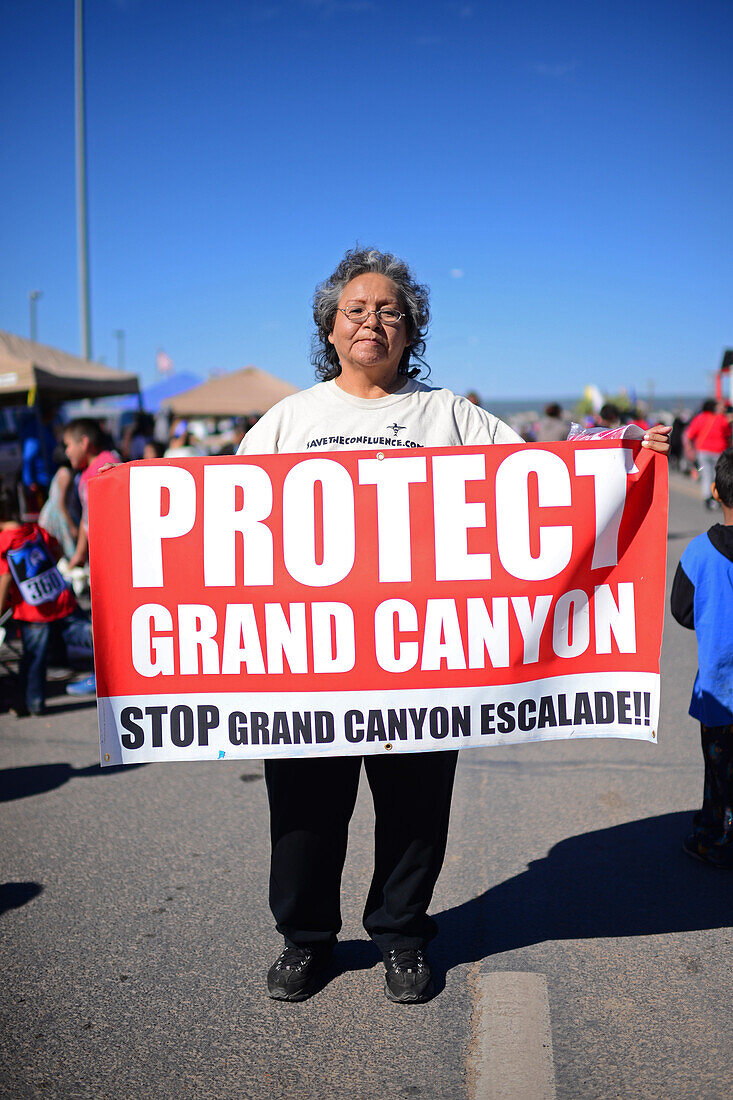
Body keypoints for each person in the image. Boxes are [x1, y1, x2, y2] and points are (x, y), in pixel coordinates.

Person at [236, 246, 672, 1004]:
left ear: (412, 331)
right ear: (329, 329)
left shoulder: (450, 416)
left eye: (390, 311)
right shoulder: (287, 421)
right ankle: (305, 941)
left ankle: (402, 935)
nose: (372, 320)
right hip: (308, 668)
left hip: (422, 663)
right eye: (356, 309)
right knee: (304, 815)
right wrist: (118, 501)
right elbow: (223, 520)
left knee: (412, 812)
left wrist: (618, 453)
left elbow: (544, 483)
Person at [671, 449, 733, 867]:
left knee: (720, 773)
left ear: (714, 490)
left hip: (719, 692)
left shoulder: (699, 550)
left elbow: (682, 611)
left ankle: (714, 838)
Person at [0, 489, 93, 716]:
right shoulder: (35, 530)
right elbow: (57, 548)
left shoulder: (4, 542)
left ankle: (34, 704)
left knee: (34, 661)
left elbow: (4, 579)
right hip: (59, 598)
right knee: (89, 636)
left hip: (33, 611)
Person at [63, 419, 120, 570]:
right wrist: (80, 554)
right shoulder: (87, 472)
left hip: (113, 552)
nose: (66, 452)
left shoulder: (105, 466)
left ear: (83, 442)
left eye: (68, 445)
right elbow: (86, 516)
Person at [684, 399, 732, 510]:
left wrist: (691, 448)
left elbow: (690, 435)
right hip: (720, 451)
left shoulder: (699, 418)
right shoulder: (721, 419)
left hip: (703, 451)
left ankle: (707, 498)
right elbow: (728, 436)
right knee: (718, 475)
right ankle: (718, 497)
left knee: (706, 475)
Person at [37, 448, 82, 561]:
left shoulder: (63, 471)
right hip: (58, 515)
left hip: (56, 511)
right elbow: (61, 502)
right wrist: (71, 526)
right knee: (66, 547)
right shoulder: (66, 474)